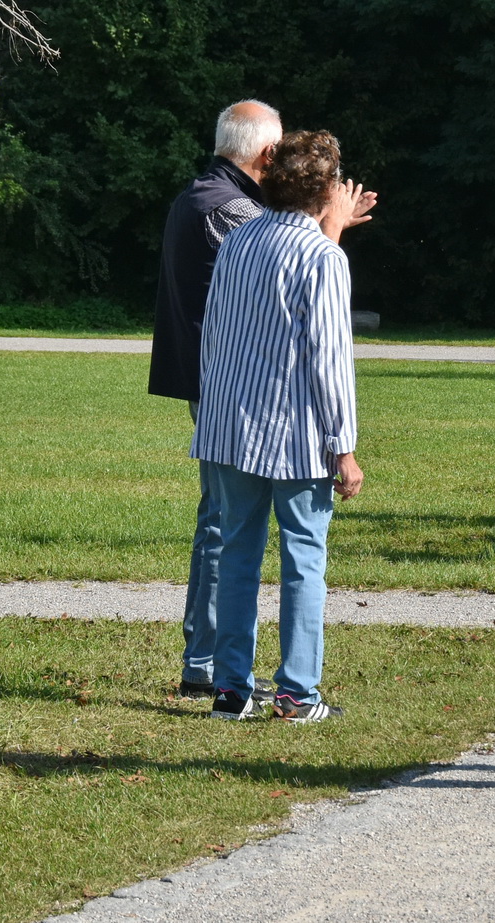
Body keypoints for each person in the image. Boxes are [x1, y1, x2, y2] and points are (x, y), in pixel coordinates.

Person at [149, 101, 373, 700]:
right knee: (303, 558)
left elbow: (216, 334)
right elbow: (329, 360)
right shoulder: (320, 255)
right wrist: (344, 447)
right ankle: (297, 692)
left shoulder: (238, 238)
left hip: (228, 426)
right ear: (323, 190)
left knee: (238, 555)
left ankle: (230, 690)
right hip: (293, 433)